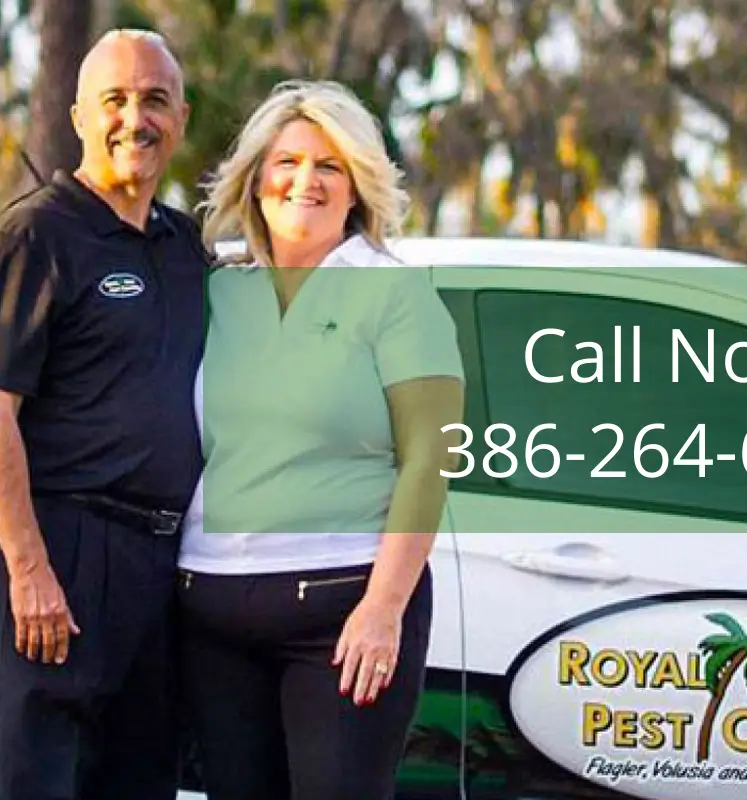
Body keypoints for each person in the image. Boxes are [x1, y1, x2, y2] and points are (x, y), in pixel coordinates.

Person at [178, 78, 464, 800]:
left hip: (341, 612)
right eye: (288, 163)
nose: (305, 182)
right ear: (257, 177)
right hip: (209, 611)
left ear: (356, 186)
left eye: (328, 166)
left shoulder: (397, 296)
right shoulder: (218, 288)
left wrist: (383, 608)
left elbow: (430, 458)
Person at [0, 29, 206, 800]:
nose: (136, 119)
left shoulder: (184, 246)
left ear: (181, 118)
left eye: (155, 101)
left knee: (138, 782)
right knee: (33, 784)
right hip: (63, 550)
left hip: (163, 562)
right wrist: (29, 569)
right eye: (116, 101)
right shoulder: (35, 236)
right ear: (78, 117)